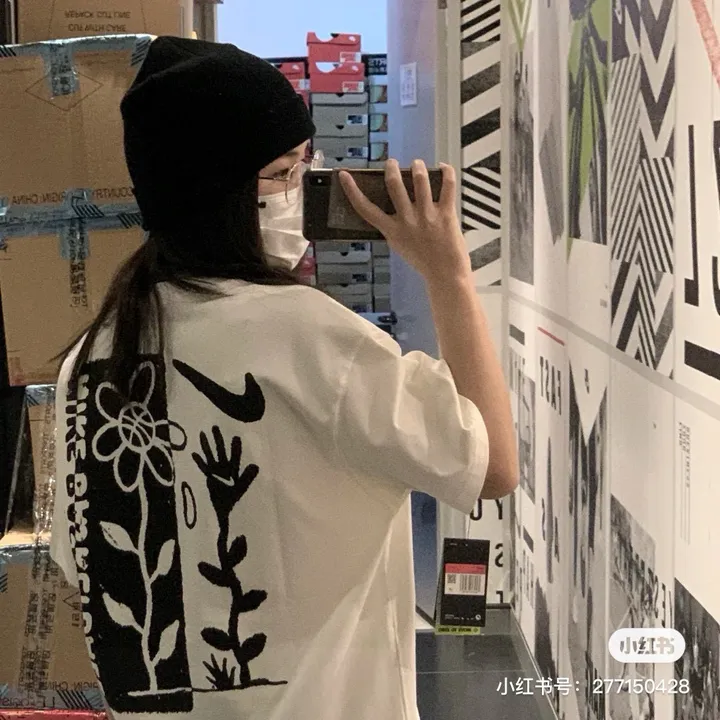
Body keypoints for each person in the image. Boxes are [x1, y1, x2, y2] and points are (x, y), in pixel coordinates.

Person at [50, 36, 517, 720]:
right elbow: (491, 464)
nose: (303, 185)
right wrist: (449, 276)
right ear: (220, 190)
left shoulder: (90, 359)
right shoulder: (308, 337)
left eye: (305, 164)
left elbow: (82, 561)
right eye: (283, 171)